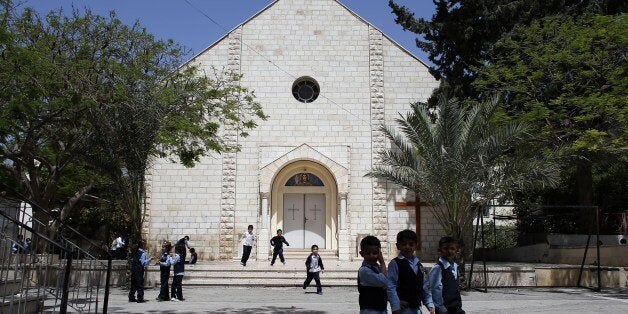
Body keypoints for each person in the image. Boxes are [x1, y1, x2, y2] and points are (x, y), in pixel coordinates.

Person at [387, 229, 434, 314]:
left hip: (417, 308)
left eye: (411, 244)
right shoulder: (395, 264)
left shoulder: (419, 265)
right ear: (398, 246)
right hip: (403, 309)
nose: (407, 247)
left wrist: (429, 303)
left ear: (416, 245)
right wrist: (396, 305)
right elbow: (391, 286)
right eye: (404, 244)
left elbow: (423, 286)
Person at [429, 236, 465, 314]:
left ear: (456, 251)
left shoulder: (455, 266)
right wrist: (442, 309)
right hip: (445, 309)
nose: (449, 251)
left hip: (456, 308)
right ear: (439, 250)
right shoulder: (438, 268)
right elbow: (436, 290)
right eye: (445, 248)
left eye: (452, 249)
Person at [358, 235, 388, 313]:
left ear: (379, 253)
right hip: (370, 310)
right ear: (362, 254)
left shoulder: (377, 268)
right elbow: (382, 281)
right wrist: (382, 262)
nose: (372, 256)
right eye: (368, 253)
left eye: (375, 253)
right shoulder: (364, 270)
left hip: (381, 309)